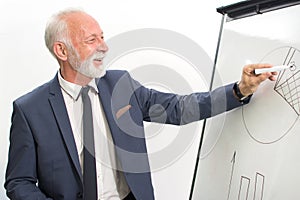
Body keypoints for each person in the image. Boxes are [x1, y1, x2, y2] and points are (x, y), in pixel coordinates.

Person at [4, 8, 277, 200]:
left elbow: (179, 108)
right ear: (61, 50)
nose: (104, 47)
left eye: (102, 36)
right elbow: (18, 183)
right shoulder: (30, 110)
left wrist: (239, 90)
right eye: (91, 40)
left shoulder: (121, 85)